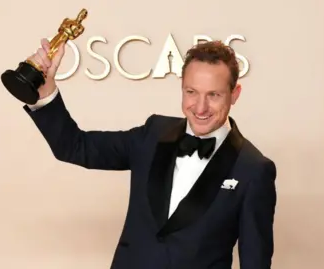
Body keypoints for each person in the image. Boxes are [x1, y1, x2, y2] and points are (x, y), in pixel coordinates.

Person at [22, 38, 277, 269]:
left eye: (214, 95)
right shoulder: (154, 133)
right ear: (182, 88)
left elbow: (255, 262)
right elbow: (76, 147)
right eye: (191, 92)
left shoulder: (254, 169)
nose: (200, 107)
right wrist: (44, 94)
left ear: (235, 95)